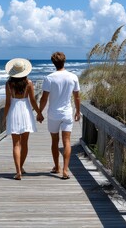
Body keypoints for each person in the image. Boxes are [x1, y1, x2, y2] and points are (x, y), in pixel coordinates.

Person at [37, 51, 80, 180]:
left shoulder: (49, 78)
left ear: (53, 63)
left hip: (53, 114)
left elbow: (44, 99)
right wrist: (78, 111)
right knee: (67, 141)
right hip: (67, 113)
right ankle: (65, 170)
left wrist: (39, 112)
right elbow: (77, 97)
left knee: (55, 141)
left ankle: (57, 167)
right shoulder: (73, 77)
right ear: (64, 61)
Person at [4, 58, 43, 180]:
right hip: (26, 112)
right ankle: (20, 168)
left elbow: (7, 103)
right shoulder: (29, 83)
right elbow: (32, 101)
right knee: (25, 143)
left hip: (14, 112)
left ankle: (18, 171)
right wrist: (39, 113)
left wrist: (4, 117)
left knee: (16, 144)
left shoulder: (9, 84)